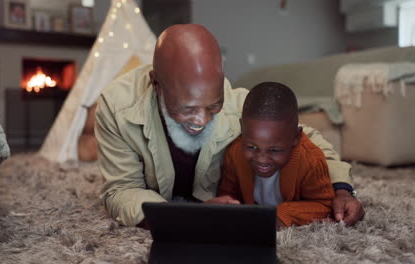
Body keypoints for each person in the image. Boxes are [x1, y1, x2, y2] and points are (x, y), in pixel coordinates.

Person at [95, 24, 364, 227]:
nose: (201, 120)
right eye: (187, 108)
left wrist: (342, 190)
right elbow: (121, 191)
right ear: (156, 85)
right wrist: (187, 218)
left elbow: (308, 141)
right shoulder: (116, 107)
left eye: (214, 105)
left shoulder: (239, 106)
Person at [208, 82, 334, 229]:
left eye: (274, 150)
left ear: (295, 137)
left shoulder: (310, 160)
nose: (261, 159)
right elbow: (228, 195)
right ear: (242, 127)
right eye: (252, 147)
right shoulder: (235, 153)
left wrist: (282, 214)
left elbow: (324, 205)